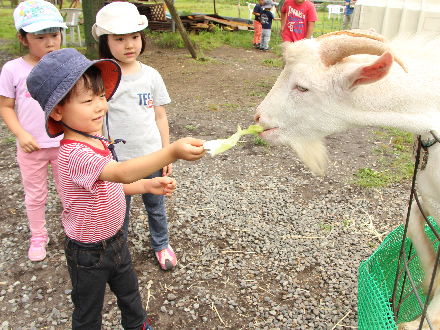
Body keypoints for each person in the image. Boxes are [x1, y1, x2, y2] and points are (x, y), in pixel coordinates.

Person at [26, 47, 206, 329]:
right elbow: (119, 173)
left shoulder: (96, 138)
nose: (100, 105)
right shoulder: (74, 153)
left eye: (100, 95)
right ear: (58, 110)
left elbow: (110, 186)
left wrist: (146, 184)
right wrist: (170, 152)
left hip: (116, 241)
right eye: (87, 100)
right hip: (88, 253)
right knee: (88, 311)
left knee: (131, 296)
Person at [92, 2, 178, 271]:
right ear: (106, 41)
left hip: (152, 157)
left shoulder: (151, 75)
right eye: (119, 38)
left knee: (156, 206)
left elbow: (160, 116)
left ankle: (161, 243)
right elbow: (92, 116)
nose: (129, 44)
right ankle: (119, 251)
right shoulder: (99, 74)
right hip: (118, 164)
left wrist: (167, 153)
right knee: (119, 210)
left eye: (135, 37)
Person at [0, 0, 67, 262]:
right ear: (23, 39)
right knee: (36, 193)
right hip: (32, 146)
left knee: (69, 190)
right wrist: (20, 133)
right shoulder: (13, 69)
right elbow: (6, 106)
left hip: (64, 143)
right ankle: (38, 235)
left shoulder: (66, 64)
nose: (50, 43)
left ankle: (72, 229)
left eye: (55, 34)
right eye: (41, 37)